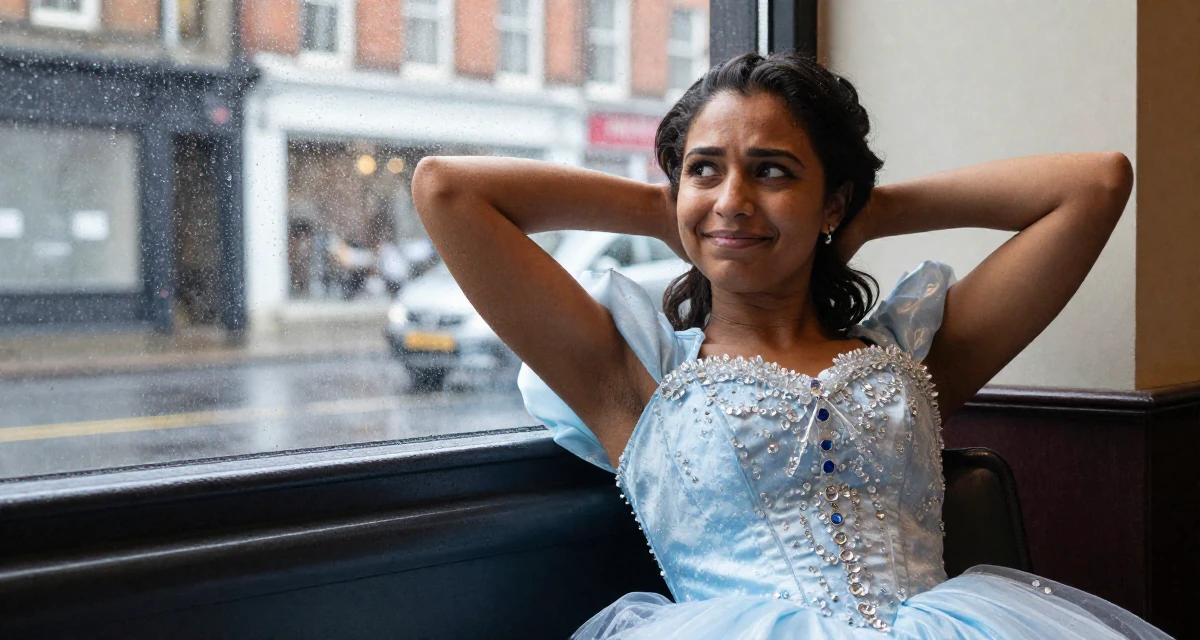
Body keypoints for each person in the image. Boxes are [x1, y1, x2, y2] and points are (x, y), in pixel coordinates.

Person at [411, 52, 1165, 639]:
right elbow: (447, 190)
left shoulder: (912, 360)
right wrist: (666, 208)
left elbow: (1095, 185)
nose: (733, 198)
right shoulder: (632, 376)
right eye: (705, 168)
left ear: (831, 198)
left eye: (772, 171)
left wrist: (867, 213)